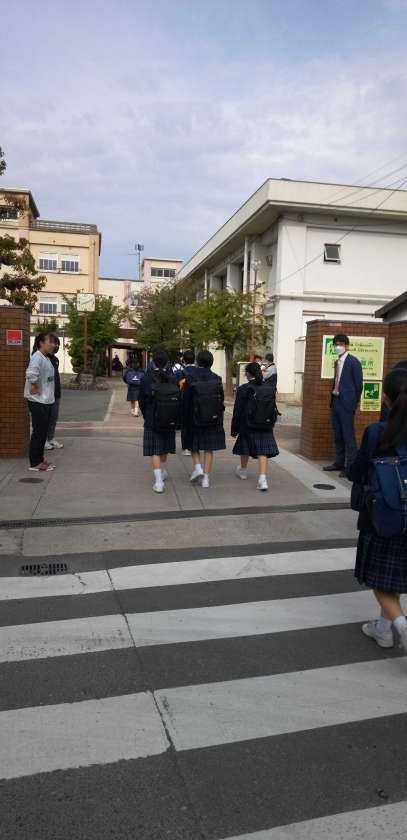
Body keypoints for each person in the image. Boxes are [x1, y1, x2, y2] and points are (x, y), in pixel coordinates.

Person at [348, 366, 407, 652]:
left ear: (386, 398)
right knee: (394, 576)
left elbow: (356, 471)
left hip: (382, 517)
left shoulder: (377, 432)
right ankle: (383, 630)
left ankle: (401, 626)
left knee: (380, 581)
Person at [231, 362, 279, 491]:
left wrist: (234, 429)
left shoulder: (243, 388)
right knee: (263, 450)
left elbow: (237, 410)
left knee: (244, 447)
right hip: (265, 424)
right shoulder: (269, 387)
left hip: (247, 424)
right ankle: (262, 480)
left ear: (247, 373)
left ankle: (243, 471)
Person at [182, 349, 226, 488]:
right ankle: (206, 479)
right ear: (211, 363)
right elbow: (221, 399)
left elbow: (186, 400)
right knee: (209, 448)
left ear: (197, 362)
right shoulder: (217, 379)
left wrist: (183, 418)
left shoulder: (190, 378)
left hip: (195, 417)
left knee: (193, 445)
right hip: (213, 418)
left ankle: (198, 468)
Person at [139, 349, 179, 493]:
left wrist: (147, 415)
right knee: (165, 447)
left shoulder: (146, 378)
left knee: (155, 450)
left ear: (153, 361)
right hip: (170, 418)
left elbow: (142, 400)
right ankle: (162, 471)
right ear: (167, 362)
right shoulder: (173, 377)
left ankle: (158, 481)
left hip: (152, 418)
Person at [323, 334, 363, 475]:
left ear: (346, 346)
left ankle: (350, 467)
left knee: (348, 436)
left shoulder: (354, 362)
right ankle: (339, 463)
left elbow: (359, 386)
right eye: (335, 344)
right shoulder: (337, 362)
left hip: (347, 404)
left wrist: (353, 404)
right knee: (338, 435)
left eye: (340, 344)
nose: (337, 347)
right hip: (335, 401)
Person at [24, 333, 56, 472]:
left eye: (54, 342)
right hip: (37, 401)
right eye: (50, 342)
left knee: (42, 432)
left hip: (46, 400)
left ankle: (40, 459)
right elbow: (31, 374)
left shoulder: (46, 358)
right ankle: (35, 463)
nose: (53, 345)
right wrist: (35, 387)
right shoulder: (37, 357)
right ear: (41, 343)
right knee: (39, 432)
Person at [44, 334, 64, 451]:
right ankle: (44, 440)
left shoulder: (55, 359)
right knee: (45, 419)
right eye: (53, 343)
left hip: (56, 394)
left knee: (53, 418)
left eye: (57, 344)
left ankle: (51, 438)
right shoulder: (42, 358)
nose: (55, 346)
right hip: (46, 395)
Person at [180, 350, 198, 455]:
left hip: (184, 402)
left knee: (185, 425)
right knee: (195, 424)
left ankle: (186, 447)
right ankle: (195, 445)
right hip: (198, 402)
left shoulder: (181, 373)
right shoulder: (199, 372)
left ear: (184, 360)